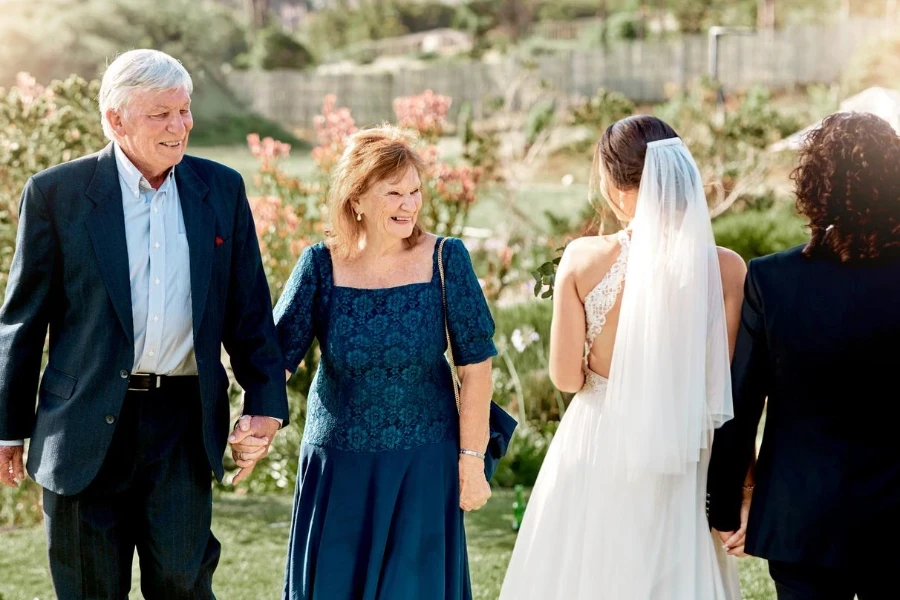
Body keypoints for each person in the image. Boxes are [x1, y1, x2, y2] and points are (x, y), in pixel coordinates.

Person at [0, 49, 289, 598]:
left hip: (180, 425)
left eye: (184, 111)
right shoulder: (56, 194)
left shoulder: (221, 190)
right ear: (116, 120)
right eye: (161, 114)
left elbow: (248, 308)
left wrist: (266, 405)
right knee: (88, 589)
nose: (179, 126)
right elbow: (23, 319)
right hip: (80, 425)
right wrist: (7, 427)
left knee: (182, 583)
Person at [499, 115, 747, 599]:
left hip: (599, 439)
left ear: (616, 187)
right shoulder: (728, 269)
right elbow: (727, 386)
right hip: (685, 445)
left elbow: (567, 378)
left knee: (592, 571)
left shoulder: (583, 259)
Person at [272, 124, 496, 599]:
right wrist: (251, 418)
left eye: (414, 191)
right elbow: (275, 364)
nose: (409, 205)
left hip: (423, 464)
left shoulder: (445, 260)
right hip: (338, 468)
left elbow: (475, 368)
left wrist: (471, 462)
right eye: (394, 193)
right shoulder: (319, 265)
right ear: (356, 199)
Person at [707, 111, 900, 599]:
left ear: (812, 186)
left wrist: (728, 508)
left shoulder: (772, 280)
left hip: (801, 518)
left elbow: (740, 404)